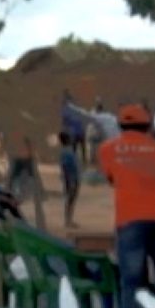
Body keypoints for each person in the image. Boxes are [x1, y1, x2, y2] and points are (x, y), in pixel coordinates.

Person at [98, 99, 155, 308]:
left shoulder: (107, 149)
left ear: (120, 126)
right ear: (147, 126)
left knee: (132, 281)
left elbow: (112, 178)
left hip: (130, 220)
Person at [58, 91, 88, 229]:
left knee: (71, 200)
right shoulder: (67, 153)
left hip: (72, 178)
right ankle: (67, 220)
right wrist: (69, 181)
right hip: (72, 179)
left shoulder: (66, 151)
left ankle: (69, 220)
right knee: (70, 199)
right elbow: (66, 168)